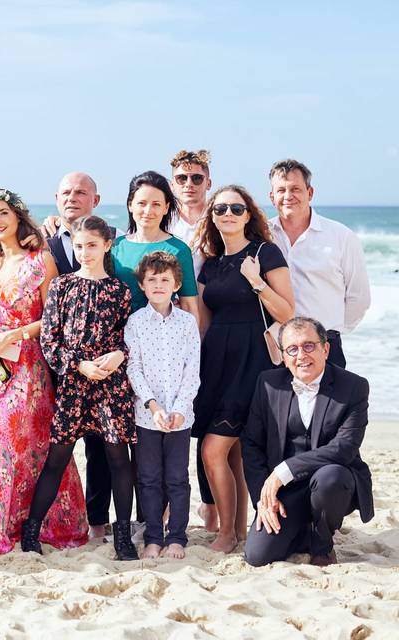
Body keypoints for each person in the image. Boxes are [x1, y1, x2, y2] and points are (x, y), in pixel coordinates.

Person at [0, 188, 87, 555]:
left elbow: (55, 317)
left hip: (28, 364)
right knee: (1, 441)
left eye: (3, 213)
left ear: (18, 216)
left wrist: (15, 333)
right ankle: (11, 525)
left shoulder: (41, 261)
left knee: (9, 442)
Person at [25, 216, 138, 561]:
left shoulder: (121, 291)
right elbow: (49, 339)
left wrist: (120, 355)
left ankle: (122, 536)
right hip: (74, 383)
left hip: (110, 384)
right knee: (57, 457)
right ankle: (31, 531)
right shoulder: (62, 286)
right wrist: (78, 364)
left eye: (92, 245)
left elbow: (128, 338)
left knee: (119, 458)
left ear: (107, 245)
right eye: (78, 246)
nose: (85, 252)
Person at [193, 185, 295, 553]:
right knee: (231, 452)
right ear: (213, 216)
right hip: (216, 360)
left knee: (212, 450)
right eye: (221, 208)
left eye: (237, 208)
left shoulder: (265, 253)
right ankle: (233, 531)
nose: (229, 214)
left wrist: (255, 281)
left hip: (252, 359)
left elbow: (287, 313)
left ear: (249, 215)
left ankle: (225, 534)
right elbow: (202, 323)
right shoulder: (210, 262)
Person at [242, 317, 373, 567]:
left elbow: (344, 448)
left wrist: (284, 471)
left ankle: (322, 543)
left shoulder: (354, 387)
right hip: (287, 490)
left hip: (331, 483)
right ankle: (302, 528)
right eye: (292, 349)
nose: (301, 355)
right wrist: (263, 499)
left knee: (330, 478)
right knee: (258, 556)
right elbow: (251, 445)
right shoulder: (267, 384)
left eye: (309, 346)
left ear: (325, 349)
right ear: (283, 356)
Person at [43, 172, 112, 540]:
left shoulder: (108, 241)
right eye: (66, 192)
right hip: (58, 365)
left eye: (81, 192)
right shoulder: (41, 242)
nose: (73, 197)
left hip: (103, 368)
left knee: (101, 448)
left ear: (95, 200)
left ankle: (98, 519)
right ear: (56, 198)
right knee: (55, 446)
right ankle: (55, 518)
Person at [124, 252, 201, 559]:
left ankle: (177, 537)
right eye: (152, 280)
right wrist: (154, 407)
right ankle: (154, 536)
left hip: (181, 416)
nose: (158, 284)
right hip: (147, 416)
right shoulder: (135, 322)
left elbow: (192, 369)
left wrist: (181, 408)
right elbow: (134, 369)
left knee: (178, 479)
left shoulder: (186, 322)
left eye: (165, 279)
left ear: (176, 284)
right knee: (149, 479)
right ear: (141, 285)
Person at [267, 160, 370, 368]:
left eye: (295, 189)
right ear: (272, 197)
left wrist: (329, 332)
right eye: (281, 190)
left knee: (330, 402)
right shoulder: (263, 235)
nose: (288, 196)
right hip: (275, 349)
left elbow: (359, 297)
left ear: (310, 192)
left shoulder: (341, 237)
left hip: (324, 347)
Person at [168, 149, 218, 533]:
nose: (189, 185)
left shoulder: (222, 219)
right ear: (173, 184)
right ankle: (166, 507)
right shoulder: (158, 220)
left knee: (209, 423)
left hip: (215, 335)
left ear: (208, 182)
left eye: (196, 178)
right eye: (182, 178)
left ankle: (211, 507)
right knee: (170, 421)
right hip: (167, 338)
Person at [111, 171, 199, 322]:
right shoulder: (116, 247)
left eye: (156, 204)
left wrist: (191, 344)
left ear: (166, 208)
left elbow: (189, 306)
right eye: (142, 203)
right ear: (130, 205)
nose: (148, 211)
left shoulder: (179, 249)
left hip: (162, 335)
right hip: (118, 335)